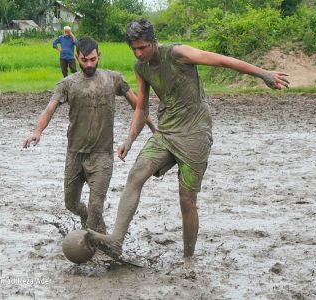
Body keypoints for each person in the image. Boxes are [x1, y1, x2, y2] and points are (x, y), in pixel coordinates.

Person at [87, 19, 289, 259]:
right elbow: (141, 109)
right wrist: (130, 139)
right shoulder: (141, 68)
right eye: (134, 49)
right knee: (135, 175)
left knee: (186, 199)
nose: (139, 53)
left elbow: (222, 60)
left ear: (154, 42)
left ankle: (188, 257)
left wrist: (262, 73)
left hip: (195, 133)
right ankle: (116, 241)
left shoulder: (177, 53)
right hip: (167, 132)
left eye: (143, 47)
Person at [23, 37, 156, 234]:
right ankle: (86, 220)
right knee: (71, 204)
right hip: (75, 154)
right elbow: (49, 109)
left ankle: (101, 244)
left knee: (96, 207)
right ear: (77, 57)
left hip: (102, 155)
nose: (89, 64)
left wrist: (154, 128)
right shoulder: (67, 84)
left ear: (99, 56)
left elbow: (138, 106)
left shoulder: (113, 79)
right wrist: (37, 132)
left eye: (93, 59)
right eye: (84, 60)